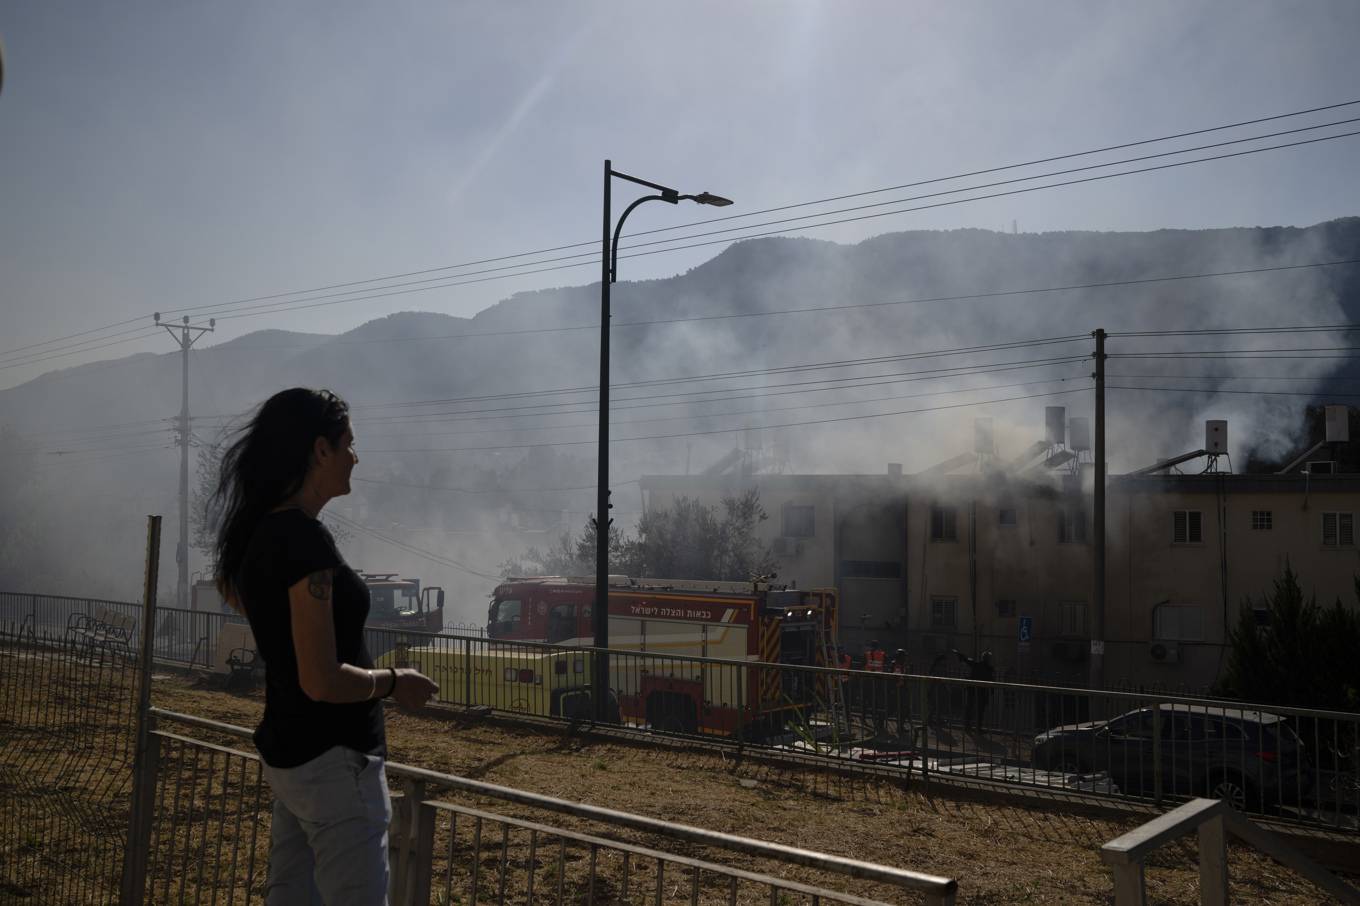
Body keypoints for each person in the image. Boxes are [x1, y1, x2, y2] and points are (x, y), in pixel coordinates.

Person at [214, 388, 439, 905]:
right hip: (337, 764)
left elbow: (240, 594)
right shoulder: (304, 542)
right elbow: (321, 679)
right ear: (320, 450)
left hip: (290, 755)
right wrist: (393, 682)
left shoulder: (260, 531)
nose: (355, 458)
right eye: (349, 445)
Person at [954, 649, 995, 732]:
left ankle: (967, 726)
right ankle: (978, 728)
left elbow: (966, 659)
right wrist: (991, 692)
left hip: (972, 689)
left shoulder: (976, 664)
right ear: (989, 659)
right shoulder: (989, 669)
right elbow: (991, 681)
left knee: (969, 707)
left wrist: (958, 653)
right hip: (982, 691)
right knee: (980, 710)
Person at [925, 652, 949, 727]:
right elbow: (944, 680)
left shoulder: (935, 667)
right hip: (939, 690)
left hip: (933, 689)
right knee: (939, 705)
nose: (946, 662)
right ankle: (935, 719)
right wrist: (948, 688)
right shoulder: (941, 669)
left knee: (935, 705)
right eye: (945, 660)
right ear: (941, 660)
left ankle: (931, 719)